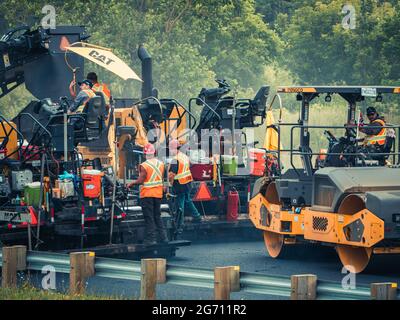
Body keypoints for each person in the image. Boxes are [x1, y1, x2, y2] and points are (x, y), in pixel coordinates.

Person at [127, 143, 168, 246]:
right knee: (157, 216)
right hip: (158, 194)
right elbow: (162, 178)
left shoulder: (144, 165)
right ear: (154, 152)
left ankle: (152, 239)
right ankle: (164, 237)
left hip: (147, 195)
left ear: (144, 154)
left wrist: (131, 183)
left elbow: (141, 180)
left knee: (149, 217)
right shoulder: (161, 164)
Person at [168, 139, 202, 231]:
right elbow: (190, 164)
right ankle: (197, 216)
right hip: (187, 182)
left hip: (180, 185)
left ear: (174, 148)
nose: (170, 150)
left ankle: (180, 223)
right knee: (187, 200)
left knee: (180, 204)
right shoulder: (184, 156)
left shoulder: (175, 159)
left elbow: (171, 175)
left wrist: (169, 184)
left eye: (170, 148)